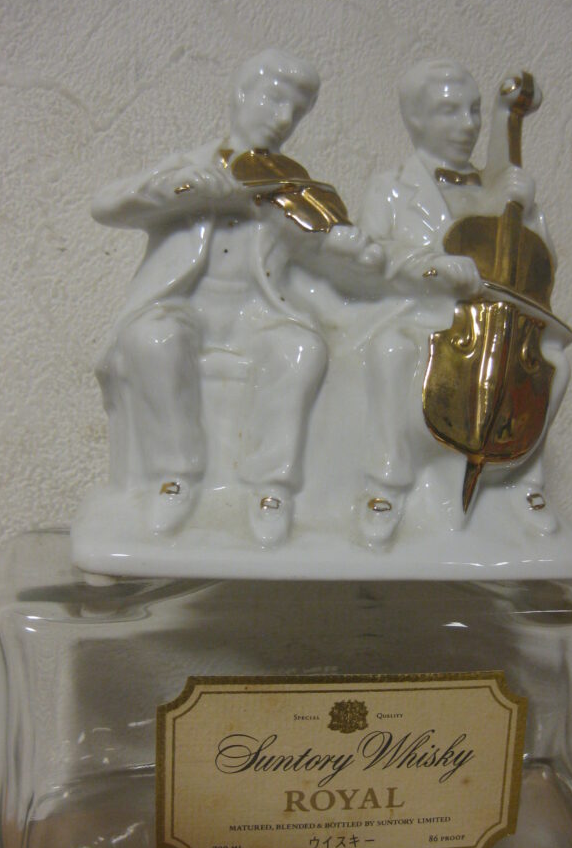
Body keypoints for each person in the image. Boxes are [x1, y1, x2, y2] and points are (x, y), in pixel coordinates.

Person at [94, 49, 378, 544]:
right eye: (274, 100)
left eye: (296, 112)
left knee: (301, 349)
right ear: (242, 94)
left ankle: (271, 488)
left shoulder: (294, 186)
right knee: (153, 339)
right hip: (188, 304)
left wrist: (343, 243)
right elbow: (106, 205)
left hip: (258, 309)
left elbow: (318, 251)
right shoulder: (190, 166)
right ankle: (174, 476)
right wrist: (181, 189)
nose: (283, 119)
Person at [356, 58, 565, 543]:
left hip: (496, 319)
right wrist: (432, 266)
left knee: (556, 363)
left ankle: (521, 481)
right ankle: (386, 484)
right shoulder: (388, 189)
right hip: (418, 313)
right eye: (450, 112)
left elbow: (541, 265)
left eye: (473, 111)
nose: (468, 125)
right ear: (415, 119)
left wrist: (525, 212)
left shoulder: (496, 189)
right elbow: (372, 258)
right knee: (391, 350)